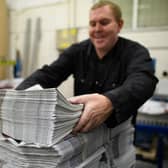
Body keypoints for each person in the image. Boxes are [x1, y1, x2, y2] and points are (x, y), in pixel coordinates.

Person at [16, 1, 158, 167]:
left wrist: (110, 102)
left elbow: (144, 80)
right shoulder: (78, 51)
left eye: (104, 22)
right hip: (82, 142)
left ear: (119, 25)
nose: (97, 29)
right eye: (92, 24)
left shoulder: (135, 52)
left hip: (118, 142)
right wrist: (16, 97)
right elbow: (48, 74)